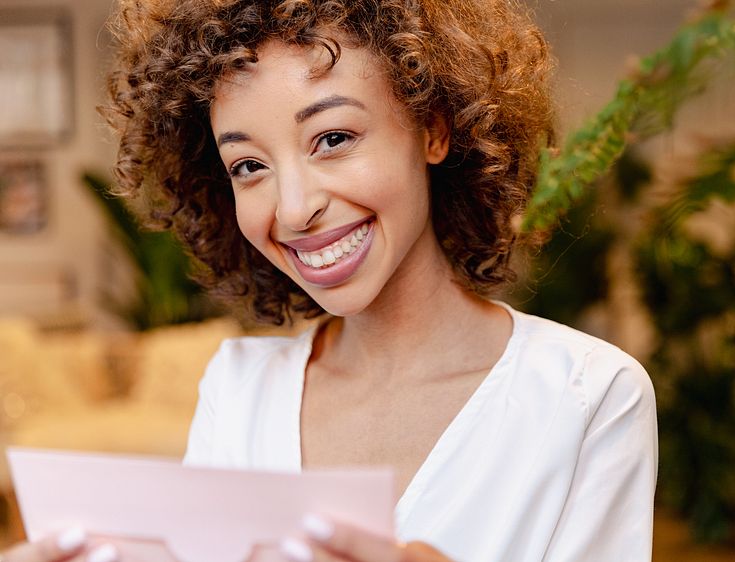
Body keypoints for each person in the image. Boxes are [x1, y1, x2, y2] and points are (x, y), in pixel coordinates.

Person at [2, 1, 657, 560]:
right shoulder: (239, 390)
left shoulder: (586, 396)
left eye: (334, 137)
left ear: (433, 128)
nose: (291, 209)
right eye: (249, 165)